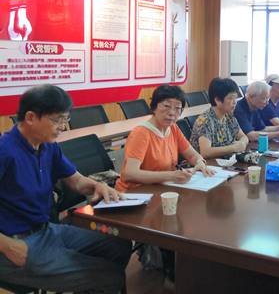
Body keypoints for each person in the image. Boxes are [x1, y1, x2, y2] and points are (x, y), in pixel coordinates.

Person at [0, 85, 131, 293]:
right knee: (109, 277)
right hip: (13, 243)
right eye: (57, 120)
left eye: (66, 119)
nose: (63, 127)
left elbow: (76, 181)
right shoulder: (5, 151)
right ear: (31, 117)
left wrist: (98, 185)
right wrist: (8, 247)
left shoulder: (48, 145)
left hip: (45, 230)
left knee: (119, 245)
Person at [116, 84, 213, 193]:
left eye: (177, 108)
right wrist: (171, 176)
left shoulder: (173, 128)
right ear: (154, 107)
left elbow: (192, 155)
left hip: (161, 189)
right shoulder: (141, 133)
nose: (171, 113)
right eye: (166, 106)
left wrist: (199, 162)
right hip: (134, 193)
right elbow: (130, 173)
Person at [190, 77, 249, 158]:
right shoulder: (205, 120)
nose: (235, 102)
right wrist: (234, 148)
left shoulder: (229, 116)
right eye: (230, 98)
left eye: (235, 98)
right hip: (208, 164)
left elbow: (243, 137)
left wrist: (242, 143)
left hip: (226, 162)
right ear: (217, 100)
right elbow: (205, 152)